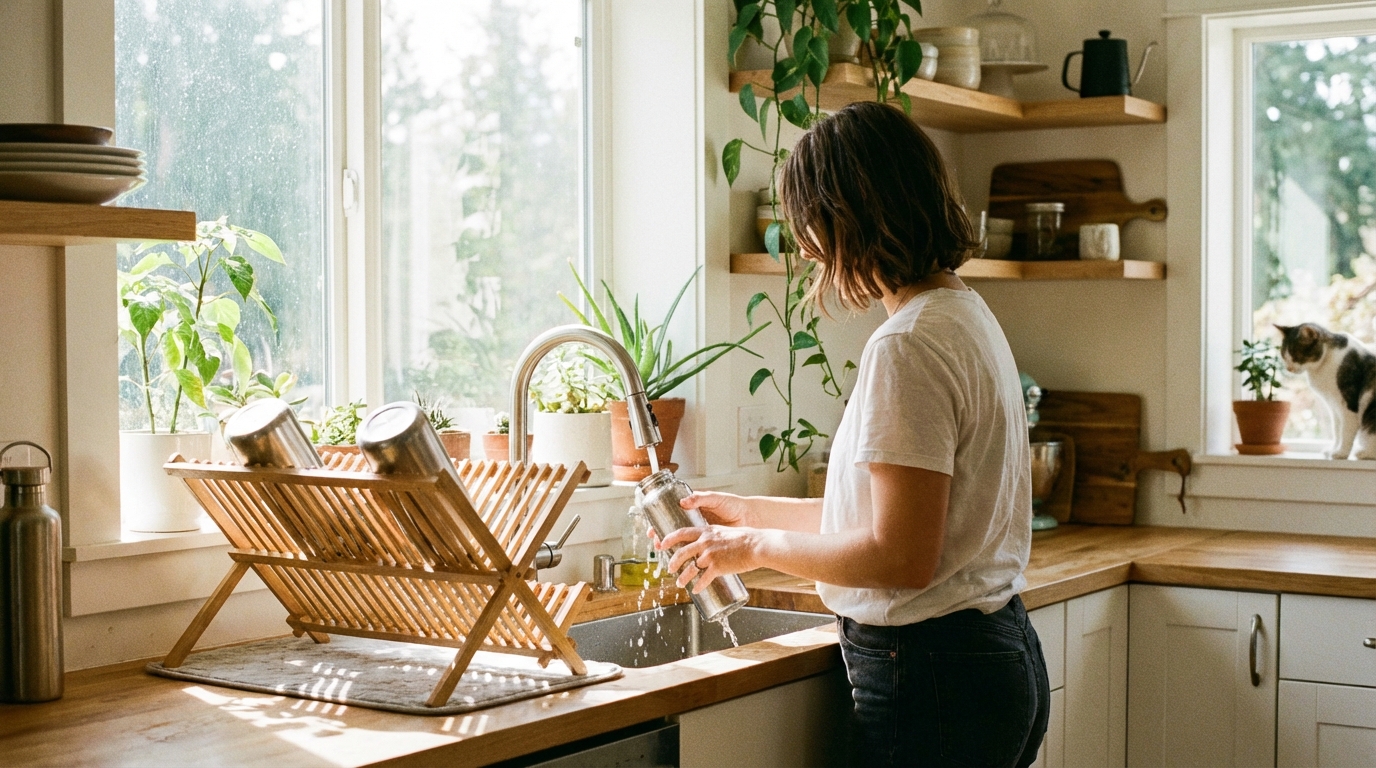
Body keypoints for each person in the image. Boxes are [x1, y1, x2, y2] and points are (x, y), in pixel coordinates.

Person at [658, 102, 1049, 767]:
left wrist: (754, 545)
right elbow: (883, 522)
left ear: (846, 219)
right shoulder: (963, 315)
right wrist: (744, 513)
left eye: (807, 223)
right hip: (987, 657)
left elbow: (900, 557)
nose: (804, 246)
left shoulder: (909, 345)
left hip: (932, 675)